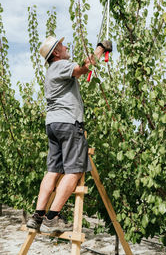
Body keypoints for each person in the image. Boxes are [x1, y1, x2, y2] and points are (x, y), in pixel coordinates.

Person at [26, 36, 112, 233]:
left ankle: (38, 215)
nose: (66, 47)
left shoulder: (51, 72)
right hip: (68, 124)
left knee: (53, 170)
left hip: (53, 124)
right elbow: (83, 68)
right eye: (62, 46)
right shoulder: (61, 65)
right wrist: (100, 49)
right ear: (56, 53)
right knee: (74, 171)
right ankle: (52, 217)